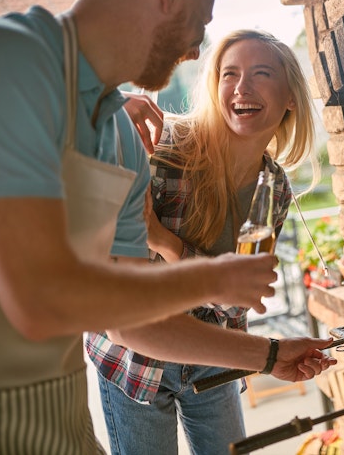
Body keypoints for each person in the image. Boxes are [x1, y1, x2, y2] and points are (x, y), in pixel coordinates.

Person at [0, 0, 334, 452]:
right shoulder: (4, 59)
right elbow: (39, 302)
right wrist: (214, 277)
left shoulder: (118, 131)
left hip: (61, 429)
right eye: (201, 24)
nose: (193, 53)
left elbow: (129, 321)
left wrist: (270, 355)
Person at [86, 29, 323, 454]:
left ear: (291, 97)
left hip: (214, 359)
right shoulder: (163, 150)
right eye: (229, 73)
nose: (242, 87)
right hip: (135, 366)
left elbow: (236, 301)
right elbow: (126, 311)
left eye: (261, 73)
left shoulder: (274, 189)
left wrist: (165, 241)